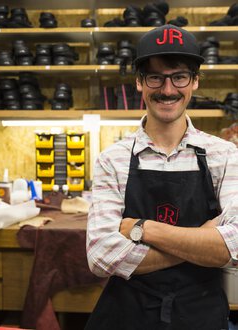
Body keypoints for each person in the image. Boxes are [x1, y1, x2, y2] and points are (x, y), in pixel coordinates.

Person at [85, 24, 238, 330]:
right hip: (126, 315)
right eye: (155, 77)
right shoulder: (112, 159)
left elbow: (236, 249)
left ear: (194, 81)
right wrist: (202, 241)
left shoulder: (226, 156)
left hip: (200, 314)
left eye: (179, 76)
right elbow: (101, 256)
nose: (168, 90)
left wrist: (142, 229)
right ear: (140, 83)